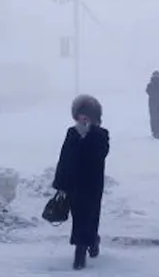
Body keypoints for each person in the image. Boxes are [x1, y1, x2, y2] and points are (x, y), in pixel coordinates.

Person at [52, 94, 109, 270]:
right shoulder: (72, 133)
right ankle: (82, 249)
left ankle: (89, 244)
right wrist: (60, 183)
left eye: (88, 115)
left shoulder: (101, 134)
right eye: (81, 115)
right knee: (79, 217)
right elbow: (64, 158)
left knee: (90, 216)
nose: (84, 118)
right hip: (74, 184)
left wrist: (89, 136)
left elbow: (100, 155)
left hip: (92, 184)